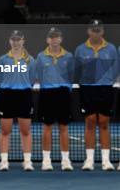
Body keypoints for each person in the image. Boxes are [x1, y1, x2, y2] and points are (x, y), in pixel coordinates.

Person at [74, 20, 118, 171]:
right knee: (90, 123)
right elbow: (77, 70)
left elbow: (115, 68)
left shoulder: (111, 49)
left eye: (98, 30)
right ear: (88, 31)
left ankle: (106, 162)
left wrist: (107, 81)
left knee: (104, 123)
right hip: (88, 89)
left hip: (105, 89)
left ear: (102, 31)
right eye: (93, 30)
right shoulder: (80, 49)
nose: (96, 32)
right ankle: (89, 161)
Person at [0, 30, 36, 171]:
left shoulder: (30, 60)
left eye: (18, 39)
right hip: (7, 96)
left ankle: (27, 161)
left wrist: (21, 87)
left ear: (23, 40)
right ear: (10, 41)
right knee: (5, 131)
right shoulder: (2, 60)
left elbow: (31, 80)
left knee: (25, 131)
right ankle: (4, 161)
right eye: (13, 39)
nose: (16, 42)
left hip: (24, 96)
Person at [35, 27, 74, 171]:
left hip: (63, 94)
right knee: (47, 128)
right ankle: (46, 161)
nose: (54, 39)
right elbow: (38, 74)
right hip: (47, 94)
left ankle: (65, 161)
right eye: (52, 37)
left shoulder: (69, 56)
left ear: (61, 39)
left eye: (57, 37)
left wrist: (65, 89)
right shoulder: (40, 57)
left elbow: (71, 75)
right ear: (47, 40)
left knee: (64, 127)